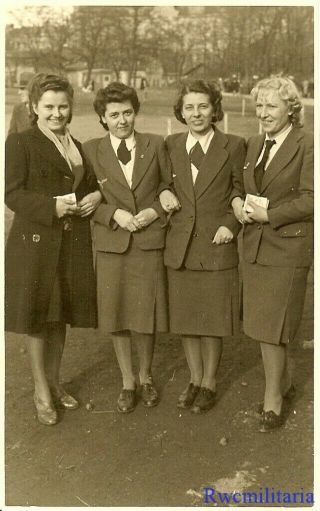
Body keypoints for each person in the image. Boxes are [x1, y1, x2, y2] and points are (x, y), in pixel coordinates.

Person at [5, 73, 102, 426]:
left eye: (63, 106)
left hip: (70, 242)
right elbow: (12, 194)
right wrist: (51, 208)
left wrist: (96, 195)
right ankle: (40, 390)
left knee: (59, 316)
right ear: (34, 108)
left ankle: (55, 381)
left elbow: (88, 183)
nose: (57, 113)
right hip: (36, 244)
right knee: (37, 317)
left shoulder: (75, 143)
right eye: (49, 107)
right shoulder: (20, 142)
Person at [83, 82, 179, 413]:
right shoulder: (91, 150)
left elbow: (168, 186)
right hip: (113, 245)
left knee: (145, 314)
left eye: (127, 112)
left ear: (135, 112)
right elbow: (87, 200)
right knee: (118, 314)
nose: (122, 120)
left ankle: (146, 376)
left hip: (149, 242)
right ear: (102, 118)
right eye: (114, 115)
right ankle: (127, 381)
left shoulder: (155, 144)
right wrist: (115, 214)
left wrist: (154, 211)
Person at [233, 76, 313, 432]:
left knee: (271, 327)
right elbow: (238, 186)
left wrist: (271, 215)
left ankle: (273, 400)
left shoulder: (307, 145)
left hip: (288, 246)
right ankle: (286, 383)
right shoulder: (253, 144)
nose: (263, 113)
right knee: (267, 324)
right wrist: (237, 203)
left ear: (291, 109)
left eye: (272, 106)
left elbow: (313, 198)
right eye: (260, 106)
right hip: (255, 246)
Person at [161, 80, 245, 413]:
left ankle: (209, 381)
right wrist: (163, 192)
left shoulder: (234, 145)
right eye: (189, 108)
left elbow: (241, 191)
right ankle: (194, 379)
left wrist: (231, 224)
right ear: (180, 112)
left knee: (212, 320)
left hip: (216, 243)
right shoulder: (171, 144)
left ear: (214, 109)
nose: (196, 114)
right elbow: (163, 182)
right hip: (181, 245)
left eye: (203, 106)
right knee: (186, 319)